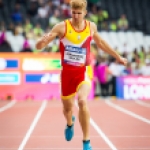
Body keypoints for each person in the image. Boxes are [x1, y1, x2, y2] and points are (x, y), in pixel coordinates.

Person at [35, 0, 127, 149]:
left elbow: (102, 43)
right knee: (67, 109)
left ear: (85, 13)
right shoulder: (62, 27)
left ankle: (86, 142)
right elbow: (39, 46)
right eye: (73, 13)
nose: (76, 16)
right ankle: (70, 123)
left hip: (83, 72)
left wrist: (118, 57)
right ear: (70, 12)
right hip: (67, 75)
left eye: (79, 13)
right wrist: (41, 41)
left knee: (82, 101)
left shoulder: (91, 27)